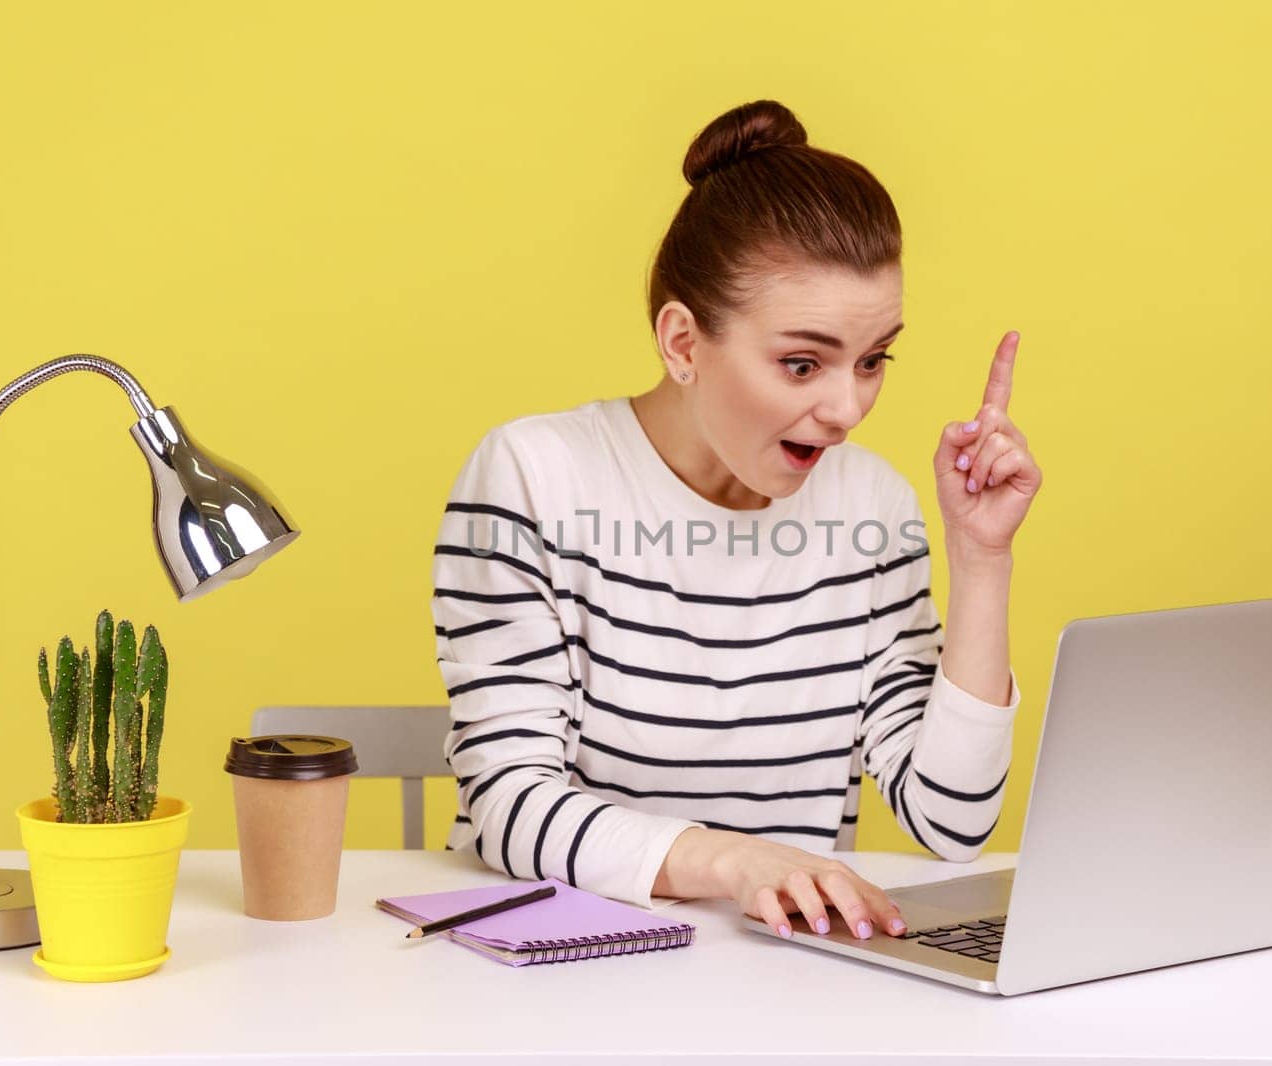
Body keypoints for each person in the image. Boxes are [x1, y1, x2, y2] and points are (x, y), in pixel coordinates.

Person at [430, 99, 1042, 943]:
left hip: (787, 975)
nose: (845, 409)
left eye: (872, 362)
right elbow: (507, 803)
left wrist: (981, 559)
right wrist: (736, 861)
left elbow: (951, 820)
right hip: (563, 968)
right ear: (682, 343)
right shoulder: (534, 477)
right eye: (802, 363)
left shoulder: (874, 507)